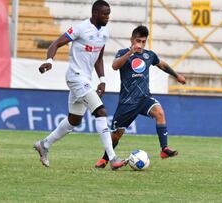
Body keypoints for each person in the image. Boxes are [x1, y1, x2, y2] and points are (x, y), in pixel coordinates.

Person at [33, 0, 127, 170]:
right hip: (75, 77)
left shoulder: (105, 32)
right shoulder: (80, 28)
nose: (108, 17)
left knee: (73, 120)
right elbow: (56, 43)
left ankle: (44, 145)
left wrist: (102, 80)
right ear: (96, 13)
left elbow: (98, 57)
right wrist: (49, 60)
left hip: (86, 79)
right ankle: (112, 159)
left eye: (109, 14)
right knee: (101, 112)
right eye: (105, 14)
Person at [94, 25, 186, 168]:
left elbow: (162, 65)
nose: (141, 44)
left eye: (143, 41)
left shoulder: (149, 55)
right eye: (138, 41)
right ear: (132, 39)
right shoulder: (123, 52)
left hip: (144, 98)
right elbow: (115, 66)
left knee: (160, 113)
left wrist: (176, 75)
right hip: (128, 102)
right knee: (117, 135)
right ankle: (105, 159)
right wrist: (130, 52)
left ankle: (164, 149)